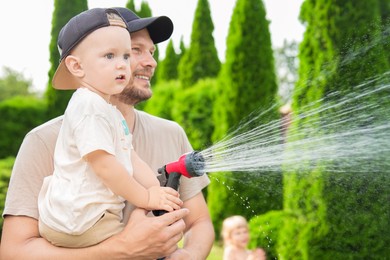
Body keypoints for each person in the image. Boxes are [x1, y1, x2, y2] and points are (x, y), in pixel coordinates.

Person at [1, 7, 214, 259]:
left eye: (149, 52)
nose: (151, 61)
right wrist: (123, 249)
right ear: (78, 66)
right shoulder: (44, 140)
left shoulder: (171, 133)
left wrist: (187, 255)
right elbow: (14, 252)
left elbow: (200, 222)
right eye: (136, 50)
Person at [37, 8, 182, 248]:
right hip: (81, 221)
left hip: (85, 216)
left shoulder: (108, 110)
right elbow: (105, 166)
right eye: (109, 56)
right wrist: (146, 197)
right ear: (76, 66)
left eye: (126, 56)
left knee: (149, 234)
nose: (122, 65)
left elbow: (131, 158)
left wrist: (157, 190)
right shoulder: (89, 107)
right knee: (145, 244)